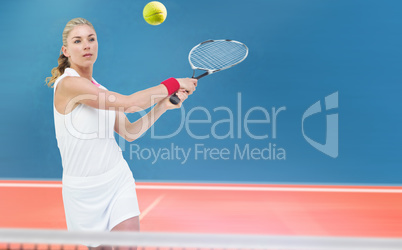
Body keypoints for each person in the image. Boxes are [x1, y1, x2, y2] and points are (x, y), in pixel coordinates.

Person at [46, 17, 197, 249]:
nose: (86, 45)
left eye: (91, 39)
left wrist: (162, 106)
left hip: (117, 179)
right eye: (78, 41)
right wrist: (173, 83)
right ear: (65, 50)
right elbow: (128, 103)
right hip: (83, 192)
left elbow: (129, 131)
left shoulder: (101, 90)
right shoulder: (68, 85)